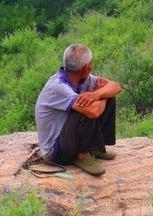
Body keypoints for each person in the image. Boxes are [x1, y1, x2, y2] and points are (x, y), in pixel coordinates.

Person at [35, 43, 122, 176]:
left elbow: (115, 87)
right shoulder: (57, 87)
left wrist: (97, 94)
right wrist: (101, 94)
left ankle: (95, 148)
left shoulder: (82, 79)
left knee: (105, 97)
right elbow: (93, 112)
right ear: (86, 68)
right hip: (57, 152)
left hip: (68, 140)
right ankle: (83, 156)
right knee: (83, 108)